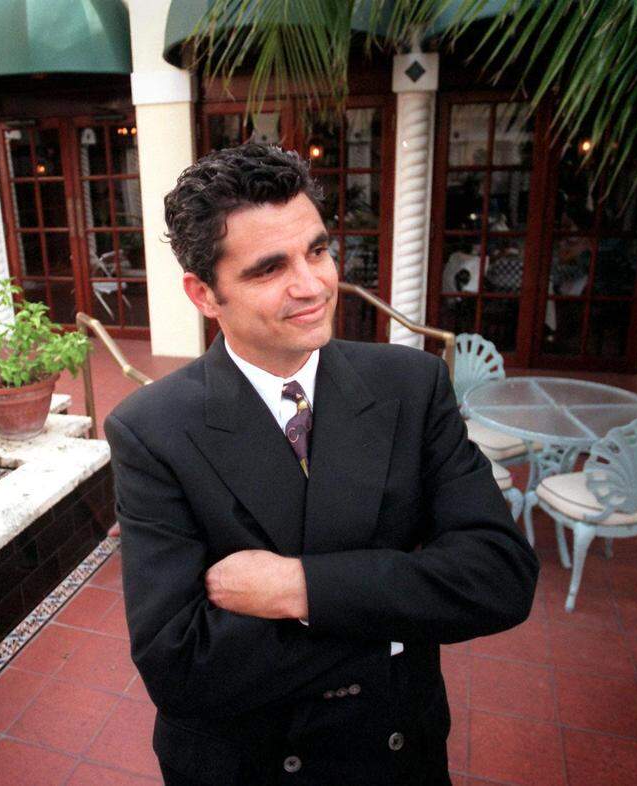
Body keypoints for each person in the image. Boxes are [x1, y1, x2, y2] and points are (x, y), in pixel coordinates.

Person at [105, 144, 539, 785]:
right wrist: (398, 619)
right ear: (204, 293)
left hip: (397, 753)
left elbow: (500, 577)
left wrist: (296, 589)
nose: (312, 285)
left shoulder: (411, 386)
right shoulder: (153, 429)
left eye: (317, 250)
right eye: (267, 268)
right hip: (249, 765)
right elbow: (182, 666)